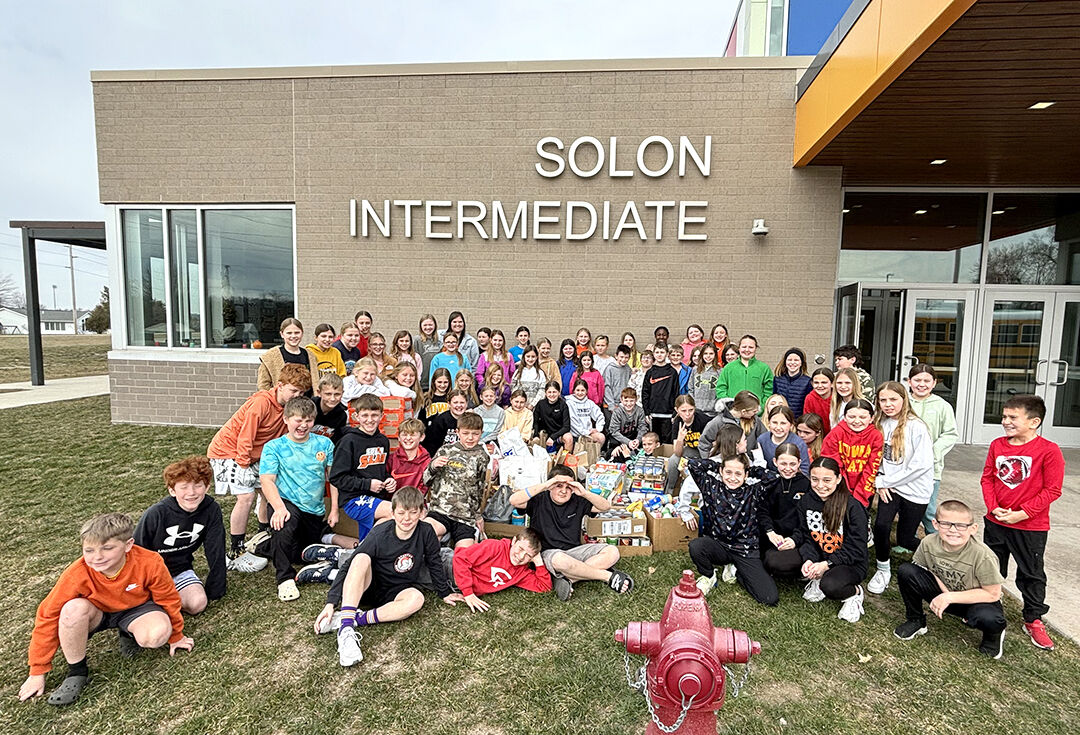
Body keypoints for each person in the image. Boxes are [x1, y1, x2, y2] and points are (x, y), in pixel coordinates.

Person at [19, 513, 193, 707]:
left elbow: (168, 599)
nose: (97, 557)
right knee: (70, 610)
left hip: (136, 609)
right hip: (97, 612)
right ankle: (77, 672)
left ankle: (128, 633)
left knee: (156, 635)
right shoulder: (77, 572)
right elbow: (48, 614)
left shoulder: (150, 561)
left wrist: (176, 636)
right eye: (89, 550)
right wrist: (37, 670)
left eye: (107, 548)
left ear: (128, 545)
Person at [320, 486, 464, 667]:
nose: (407, 518)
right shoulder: (380, 533)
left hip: (398, 589)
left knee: (417, 599)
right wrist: (330, 603)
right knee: (361, 558)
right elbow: (351, 565)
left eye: (413, 513)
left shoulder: (426, 531)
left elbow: (434, 561)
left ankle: (352, 619)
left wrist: (444, 592)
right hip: (370, 585)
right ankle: (346, 631)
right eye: (402, 512)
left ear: (421, 513)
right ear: (393, 512)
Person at [981, 394, 1064, 650]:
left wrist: (1022, 513)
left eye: (1012, 417)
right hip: (996, 521)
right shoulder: (997, 445)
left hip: (1030, 526)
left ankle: (1033, 618)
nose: (1005, 421)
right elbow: (988, 478)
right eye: (1004, 416)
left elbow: (1052, 490)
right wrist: (993, 508)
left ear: (1034, 421)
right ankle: (988, 607)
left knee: (1031, 573)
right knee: (991, 567)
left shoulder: (1049, 451)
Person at [207, 363, 311, 567]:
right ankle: (235, 549)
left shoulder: (291, 408)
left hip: (257, 454)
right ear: (280, 385)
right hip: (230, 451)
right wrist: (244, 464)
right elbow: (246, 435)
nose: (297, 395)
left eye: (301, 392)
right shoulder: (262, 402)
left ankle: (264, 536)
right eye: (293, 390)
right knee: (246, 496)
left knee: (269, 491)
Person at [250, 397, 340, 602]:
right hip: (286, 502)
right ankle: (284, 578)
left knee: (301, 553)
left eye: (308, 421)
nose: (303, 425)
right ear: (286, 419)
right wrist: (279, 508)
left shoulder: (324, 443)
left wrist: (334, 509)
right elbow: (267, 481)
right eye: (298, 420)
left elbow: (332, 479)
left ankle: (264, 545)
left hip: (313, 510)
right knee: (285, 523)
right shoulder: (274, 447)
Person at [893, 500, 1007, 658]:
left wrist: (950, 596)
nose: (953, 530)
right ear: (935, 524)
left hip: (974, 601)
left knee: (989, 618)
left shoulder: (982, 554)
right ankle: (916, 620)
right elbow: (923, 569)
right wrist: (944, 592)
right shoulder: (928, 543)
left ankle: (993, 636)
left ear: (973, 528)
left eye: (961, 525)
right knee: (907, 571)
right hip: (943, 593)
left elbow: (993, 594)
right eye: (946, 524)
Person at [509, 465, 634, 601]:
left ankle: (568, 579)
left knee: (613, 552)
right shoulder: (539, 499)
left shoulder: (578, 500)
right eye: (559, 486)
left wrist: (584, 492)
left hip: (575, 551)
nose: (564, 491)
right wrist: (545, 485)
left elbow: (605, 506)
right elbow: (514, 500)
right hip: (549, 554)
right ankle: (606, 575)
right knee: (560, 559)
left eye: (568, 487)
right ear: (550, 486)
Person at [134, 456, 226, 615]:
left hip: (179, 571)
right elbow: (136, 551)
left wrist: (217, 587)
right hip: (149, 574)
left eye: (198, 486)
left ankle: (161, 601)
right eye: (183, 487)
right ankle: (152, 602)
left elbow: (215, 548)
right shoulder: (156, 514)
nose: (191, 493)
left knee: (198, 604)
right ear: (172, 490)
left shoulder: (211, 509)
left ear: (207, 487)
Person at [685, 454, 779, 606]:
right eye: (728, 472)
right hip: (718, 545)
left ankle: (737, 571)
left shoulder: (753, 492)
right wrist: (718, 466)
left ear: (745, 475)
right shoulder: (711, 486)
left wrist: (751, 470)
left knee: (769, 598)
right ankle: (709, 576)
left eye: (738, 473)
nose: (733, 478)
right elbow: (693, 464)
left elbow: (773, 477)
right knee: (696, 546)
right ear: (721, 471)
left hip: (745, 549)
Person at [868, 382, 934, 594]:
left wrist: (885, 482)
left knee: (905, 539)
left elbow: (920, 466)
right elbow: (876, 457)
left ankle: (936, 556)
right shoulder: (880, 424)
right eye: (883, 400)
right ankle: (882, 568)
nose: (888, 404)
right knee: (881, 526)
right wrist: (880, 478)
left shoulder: (916, 426)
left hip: (914, 490)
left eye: (893, 399)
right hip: (891, 488)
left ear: (904, 400)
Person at [795, 457, 869, 623]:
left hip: (851, 563)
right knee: (786, 562)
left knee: (830, 586)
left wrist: (827, 565)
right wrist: (810, 559)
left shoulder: (853, 507)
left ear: (838, 478)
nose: (820, 485)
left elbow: (857, 549)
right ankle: (818, 577)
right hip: (823, 556)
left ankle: (855, 594)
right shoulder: (806, 501)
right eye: (815, 479)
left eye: (827, 480)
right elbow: (807, 536)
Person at [423, 412, 492, 549]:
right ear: (457, 432)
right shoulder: (445, 450)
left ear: (481, 433)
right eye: (466, 433)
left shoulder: (482, 456)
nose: (470, 438)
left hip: (465, 516)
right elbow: (425, 481)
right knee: (425, 537)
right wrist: (433, 466)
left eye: (475, 434)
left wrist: (477, 515)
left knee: (464, 555)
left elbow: (479, 488)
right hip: (441, 511)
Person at [907, 364, 959, 535]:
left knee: (928, 507)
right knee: (907, 505)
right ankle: (909, 537)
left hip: (931, 467)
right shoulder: (903, 402)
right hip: (905, 464)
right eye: (917, 380)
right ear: (909, 381)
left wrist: (932, 453)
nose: (922, 384)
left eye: (926, 380)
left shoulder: (942, 406)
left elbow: (950, 434)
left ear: (934, 383)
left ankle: (935, 537)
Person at [452, 528, 552, 612]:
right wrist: (468, 593)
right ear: (513, 541)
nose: (521, 557)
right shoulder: (495, 547)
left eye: (528, 555)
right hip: (450, 567)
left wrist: (539, 562)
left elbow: (545, 587)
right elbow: (460, 558)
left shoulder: (521, 572)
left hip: (457, 583)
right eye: (520, 549)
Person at [331, 393, 394, 508]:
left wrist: (389, 480)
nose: (370, 420)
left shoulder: (383, 441)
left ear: (382, 416)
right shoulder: (348, 441)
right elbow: (336, 478)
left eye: (374, 415)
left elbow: (380, 471)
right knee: (393, 511)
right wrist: (367, 485)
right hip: (353, 498)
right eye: (365, 415)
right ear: (356, 416)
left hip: (378, 497)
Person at [758, 443, 810, 580]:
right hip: (775, 537)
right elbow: (763, 511)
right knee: (765, 559)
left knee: (774, 563)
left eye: (792, 464)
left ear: (799, 463)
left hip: (798, 538)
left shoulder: (807, 486)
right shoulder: (771, 483)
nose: (788, 469)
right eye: (783, 464)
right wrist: (770, 532)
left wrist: (795, 539)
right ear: (775, 462)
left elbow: (808, 519)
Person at [821, 398, 883, 509]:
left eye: (863, 417)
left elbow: (872, 467)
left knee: (859, 519)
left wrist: (859, 496)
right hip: (840, 486)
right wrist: (846, 491)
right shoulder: (835, 434)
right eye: (851, 417)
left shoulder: (876, 436)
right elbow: (833, 465)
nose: (857, 421)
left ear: (871, 418)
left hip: (865, 487)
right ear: (844, 417)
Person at [257, 317, 320, 392]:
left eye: (297, 333)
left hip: (306, 401)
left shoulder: (310, 355)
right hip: (281, 402)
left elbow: (315, 381)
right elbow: (263, 385)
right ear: (282, 334)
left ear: (302, 333)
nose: (293, 336)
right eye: (289, 333)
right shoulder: (270, 357)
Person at [716, 334, 773, 408]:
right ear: (739, 348)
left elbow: (769, 390)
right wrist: (729, 406)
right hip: (734, 413)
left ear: (755, 348)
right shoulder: (728, 368)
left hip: (756, 414)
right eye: (744, 347)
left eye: (751, 347)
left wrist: (761, 407)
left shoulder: (764, 368)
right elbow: (721, 388)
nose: (747, 350)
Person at [666, 395, 709, 492]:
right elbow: (677, 453)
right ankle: (670, 490)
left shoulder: (703, 420)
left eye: (691, 410)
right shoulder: (678, 422)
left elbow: (715, 443)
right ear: (677, 410)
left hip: (706, 452)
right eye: (683, 411)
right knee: (673, 460)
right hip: (692, 450)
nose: (688, 414)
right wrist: (680, 439)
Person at [642, 342, 679, 444]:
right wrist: (646, 412)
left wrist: (674, 413)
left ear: (667, 354)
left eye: (662, 352)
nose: (659, 354)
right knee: (654, 442)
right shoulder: (650, 372)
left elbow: (676, 393)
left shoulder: (672, 372)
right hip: (653, 414)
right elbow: (645, 392)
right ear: (653, 354)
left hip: (668, 414)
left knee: (667, 442)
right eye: (657, 352)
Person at [757, 406, 810, 475]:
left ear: (791, 425)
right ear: (769, 423)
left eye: (783, 423)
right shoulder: (762, 439)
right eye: (774, 423)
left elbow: (805, 470)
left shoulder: (799, 444)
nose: (778, 427)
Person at [387, 418, 431, 496]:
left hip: (415, 504)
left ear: (422, 437)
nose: (408, 438)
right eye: (404, 434)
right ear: (399, 438)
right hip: (392, 503)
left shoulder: (427, 462)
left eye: (412, 434)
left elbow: (424, 488)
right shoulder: (391, 459)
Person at [606, 387, 650, 460]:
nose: (628, 404)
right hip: (619, 439)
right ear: (621, 400)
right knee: (613, 453)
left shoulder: (640, 411)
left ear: (636, 400)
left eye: (631, 401)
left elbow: (643, 427)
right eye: (626, 401)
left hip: (634, 438)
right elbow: (614, 431)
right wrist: (627, 442)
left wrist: (638, 440)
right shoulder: (617, 412)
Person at [423, 390, 471, 455]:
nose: (459, 405)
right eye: (455, 402)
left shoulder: (471, 420)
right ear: (449, 403)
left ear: (466, 403)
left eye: (462, 402)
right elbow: (432, 445)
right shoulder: (440, 420)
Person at [534, 381, 573, 452]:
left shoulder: (563, 405)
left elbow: (567, 427)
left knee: (568, 437)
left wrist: (553, 437)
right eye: (549, 392)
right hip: (545, 434)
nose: (552, 394)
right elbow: (535, 422)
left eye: (554, 392)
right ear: (545, 393)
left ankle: (566, 460)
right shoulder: (540, 404)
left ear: (559, 392)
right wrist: (536, 435)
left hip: (558, 435)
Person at [772, 348, 812, 417]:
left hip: (798, 420)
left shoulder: (808, 381)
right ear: (785, 362)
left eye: (796, 360)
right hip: (780, 418)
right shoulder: (777, 379)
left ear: (801, 363)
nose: (792, 362)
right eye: (789, 360)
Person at [566, 379, 606, 444]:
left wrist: (598, 429)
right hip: (575, 435)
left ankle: (594, 453)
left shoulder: (590, 403)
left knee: (601, 437)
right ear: (574, 391)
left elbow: (600, 416)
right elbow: (573, 422)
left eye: (582, 390)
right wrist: (586, 432)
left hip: (588, 434)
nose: (580, 393)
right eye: (578, 390)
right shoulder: (569, 403)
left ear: (586, 391)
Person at [312, 372, 348, 445]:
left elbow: (337, 441)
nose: (332, 399)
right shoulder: (309, 406)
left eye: (337, 394)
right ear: (319, 392)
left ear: (342, 393)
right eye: (328, 394)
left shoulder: (341, 415)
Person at [690, 343, 721, 418]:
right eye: (705, 353)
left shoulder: (720, 371)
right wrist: (694, 404)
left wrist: (715, 405)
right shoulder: (695, 370)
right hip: (697, 410)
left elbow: (720, 390)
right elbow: (691, 388)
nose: (708, 356)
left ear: (715, 355)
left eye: (711, 353)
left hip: (712, 412)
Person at [414, 314, 443, 391]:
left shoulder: (439, 341)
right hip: (422, 381)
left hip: (437, 381)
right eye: (425, 325)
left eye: (430, 325)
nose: (428, 327)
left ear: (435, 325)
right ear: (421, 326)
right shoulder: (417, 340)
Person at [803, 368, 834, 434]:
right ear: (812, 384)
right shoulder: (810, 398)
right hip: (817, 434)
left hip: (835, 434)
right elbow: (808, 420)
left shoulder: (837, 398)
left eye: (824, 382)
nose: (820, 386)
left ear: (832, 384)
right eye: (816, 383)